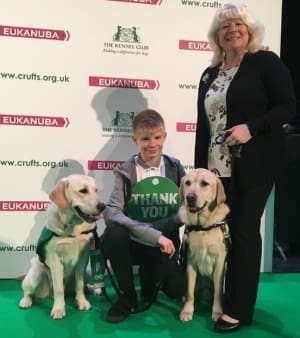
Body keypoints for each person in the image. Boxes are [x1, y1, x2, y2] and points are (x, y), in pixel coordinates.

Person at [194, 2, 296, 333]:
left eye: (238, 23)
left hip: (256, 166)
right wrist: (199, 175)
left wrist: (250, 128)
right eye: (224, 26)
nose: (232, 29)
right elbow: (203, 126)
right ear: (216, 36)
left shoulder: (265, 62)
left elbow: (288, 106)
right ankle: (221, 296)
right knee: (224, 234)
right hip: (216, 171)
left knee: (243, 232)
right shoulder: (210, 74)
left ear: (249, 30)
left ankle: (239, 309)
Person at [100, 109, 187, 323]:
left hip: (164, 246)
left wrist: (164, 228)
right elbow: (112, 213)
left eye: (157, 137)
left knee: (177, 289)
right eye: (145, 138)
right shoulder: (125, 171)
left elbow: (185, 209)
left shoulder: (175, 168)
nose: (152, 144)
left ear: (164, 137)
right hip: (135, 243)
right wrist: (153, 235)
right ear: (135, 139)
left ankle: (151, 279)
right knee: (113, 234)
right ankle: (127, 297)